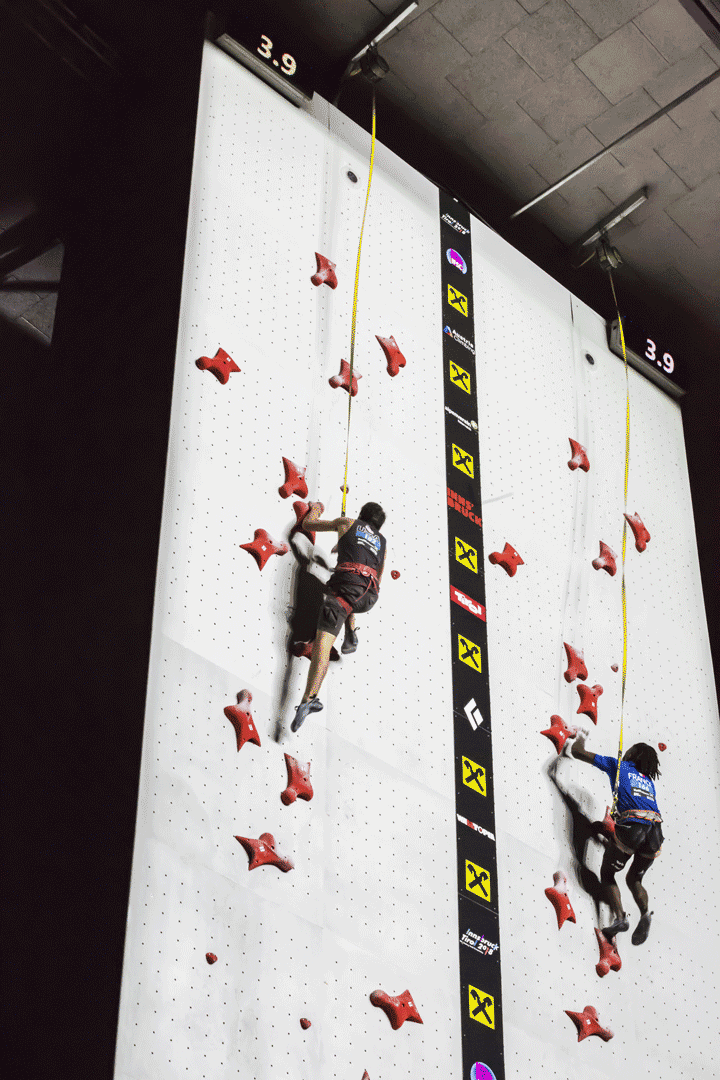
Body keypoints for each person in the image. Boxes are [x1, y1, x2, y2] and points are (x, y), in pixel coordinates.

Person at [291, 500, 386, 732]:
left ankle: (309, 698)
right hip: (369, 596)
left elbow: (309, 524)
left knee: (322, 644)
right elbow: (377, 573)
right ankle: (351, 632)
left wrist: (316, 509)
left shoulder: (347, 522)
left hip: (347, 587)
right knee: (344, 601)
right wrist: (344, 547)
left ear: (361, 513)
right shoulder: (382, 542)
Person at [570, 732, 663, 945]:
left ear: (633, 754)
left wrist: (581, 737)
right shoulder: (648, 781)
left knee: (608, 873)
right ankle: (645, 914)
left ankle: (620, 918)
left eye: (630, 749)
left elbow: (577, 753)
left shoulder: (619, 766)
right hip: (655, 830)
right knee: (634, 879)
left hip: (633, 827)